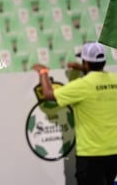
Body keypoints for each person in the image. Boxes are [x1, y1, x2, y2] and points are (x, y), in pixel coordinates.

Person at [32, 42, 117, 185]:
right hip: (114, 153)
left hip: (91, 156)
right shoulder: (115, 79)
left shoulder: (82, 85)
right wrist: (84, 68)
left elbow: (48, 94)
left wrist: (43, 72)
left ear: (85, 62)